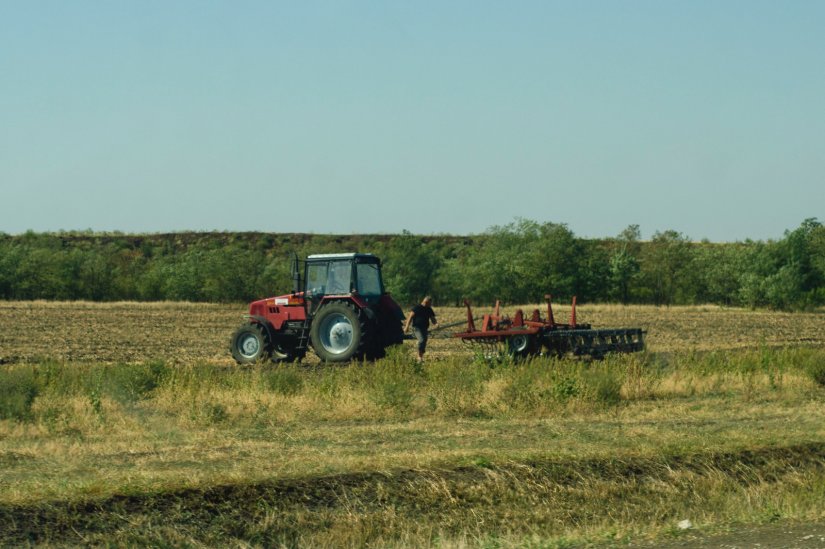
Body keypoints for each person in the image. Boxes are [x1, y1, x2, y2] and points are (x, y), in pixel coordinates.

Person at [404, 296, 438, 362]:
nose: (430, 305)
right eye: (429, 303)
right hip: (416, 328)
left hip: (424, 328)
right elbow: (410, 317)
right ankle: (419, 357)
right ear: (426, 302)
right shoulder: (417, 308)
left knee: (424, 341)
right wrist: (406, 327)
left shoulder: (429, 309)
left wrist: (436, 324)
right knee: (422, 340)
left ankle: (421, 357)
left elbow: (433, 319)